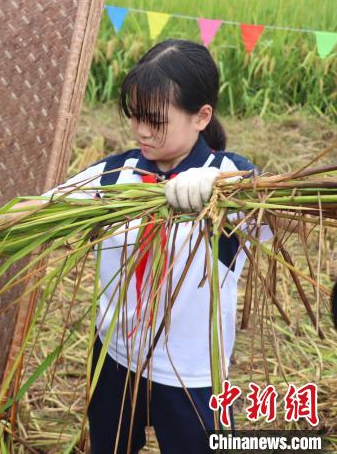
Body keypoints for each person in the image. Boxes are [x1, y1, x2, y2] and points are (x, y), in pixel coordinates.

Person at [39, 39, 274, 454]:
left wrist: (219, 188)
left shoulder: (231, 178)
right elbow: (38, 211)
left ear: (202, 117)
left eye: (155, 120)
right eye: (135, 115)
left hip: (191, 376)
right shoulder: (116, 175)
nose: (142, 131)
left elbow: (278, 215)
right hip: (114, 360)